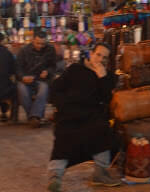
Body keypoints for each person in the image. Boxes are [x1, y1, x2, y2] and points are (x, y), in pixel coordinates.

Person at [47, 43, 121, 191]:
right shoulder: (75, 69)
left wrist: (102, 77)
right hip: (69, 113)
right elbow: (56, 89)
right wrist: (62, 105)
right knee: (64, 136)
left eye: (105, 58)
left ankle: (101, 173)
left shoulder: (108, 76)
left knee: (101, 130)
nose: (100, 59)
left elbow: (106, 98)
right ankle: (55, 177)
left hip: (92, 115)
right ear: (91, 54)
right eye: (98, 55)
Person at [16, 30, 57, 128]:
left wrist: (47, 71)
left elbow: (53, 66)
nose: (40, 46)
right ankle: (35, 117)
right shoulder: (23, 51)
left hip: (41, 79)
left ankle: (33, 117)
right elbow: (17, 68)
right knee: (22, 90)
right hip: (26, 79)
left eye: (43, 44)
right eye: (38, 43)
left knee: (43, 89)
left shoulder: (50, 49)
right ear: (32, 40)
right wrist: (22, 77)